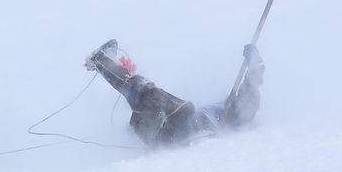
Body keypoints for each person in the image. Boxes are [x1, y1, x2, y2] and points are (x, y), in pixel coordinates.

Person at [84, 39, 264, 147]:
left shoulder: (235, 116)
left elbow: (250, 101)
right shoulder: (223, 110)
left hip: (181, 129)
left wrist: (254, 65)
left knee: (147, 93)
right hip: (170, 128)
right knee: (144, 95)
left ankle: (102, 61)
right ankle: (104, 63)